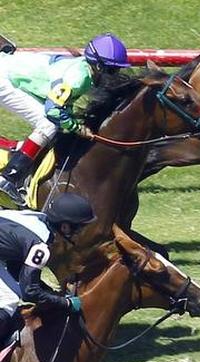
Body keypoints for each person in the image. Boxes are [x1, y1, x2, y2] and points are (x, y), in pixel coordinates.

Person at [0, 33, 131, 207]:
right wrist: (77, 128)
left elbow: (60, 104)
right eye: (113, 70)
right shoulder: (79, 78)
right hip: (4, 79)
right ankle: (9, 177)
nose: (115, 76)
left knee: (54, 127)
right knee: (48, 123)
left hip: (9, 72)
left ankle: (21, 168)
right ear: (99, 66)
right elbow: (53, 110)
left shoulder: (84, 71)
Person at [0, 193, 97, 340]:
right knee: (9, 302)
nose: (80, 233)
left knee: (14, 290)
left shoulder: (36, 217)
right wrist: (65, 303)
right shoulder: (40, 245)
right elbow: (29, 292)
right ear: (64, 227)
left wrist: (51, 293)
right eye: (79, 228)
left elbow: (16, 269)